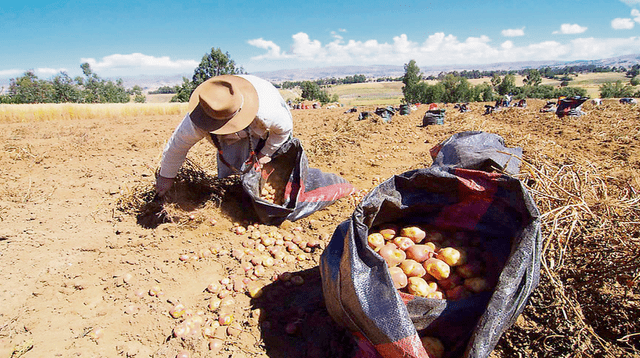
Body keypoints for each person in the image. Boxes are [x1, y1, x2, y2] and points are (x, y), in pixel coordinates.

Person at [155, 74, 293, 197]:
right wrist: (166, 177)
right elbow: (177, 146)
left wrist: (265, 154)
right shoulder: (201, 115)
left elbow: (283, 131)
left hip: (264, 126)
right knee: (232, 161)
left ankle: (279, 192)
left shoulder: (267, 112)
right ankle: (237, 193)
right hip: (233, 134)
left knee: (275, 164)